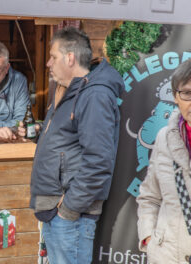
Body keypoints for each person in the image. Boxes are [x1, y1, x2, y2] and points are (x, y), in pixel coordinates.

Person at [19, 27, 124, 263]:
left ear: (70, 57)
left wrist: (68, 209)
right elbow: (70, 140)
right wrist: (40, 132)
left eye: (53, 56)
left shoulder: (95, 95)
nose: (48, 63)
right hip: (56, 211)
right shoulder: (68, 89)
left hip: (69, 216)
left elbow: (99, 160)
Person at [136, 60, 191, 263]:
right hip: (168, 256)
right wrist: (150, 238)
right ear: (176, 97)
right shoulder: (163, 138)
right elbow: (149, 197)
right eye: (187, 93)